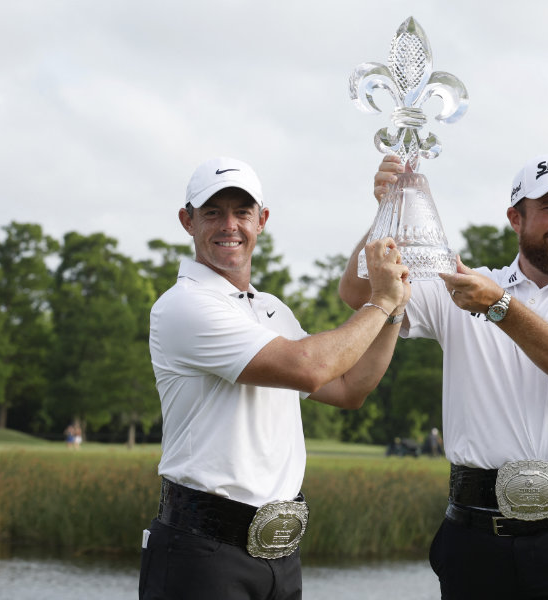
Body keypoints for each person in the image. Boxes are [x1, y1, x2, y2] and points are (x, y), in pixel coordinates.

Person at [339, 151, 548, 599]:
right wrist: (389, 207)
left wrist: (500, 308)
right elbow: (358, 292)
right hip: (476, 536)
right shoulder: (464, 287)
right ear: (515, 219)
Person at [138, 156, 411, 600]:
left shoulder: (271, 309)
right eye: (213, 212)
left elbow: (349, 387)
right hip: (202, 554)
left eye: (242, 212)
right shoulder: (183, 305)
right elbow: (310, 367)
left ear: (261, 220)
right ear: (187, 221)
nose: (230, 225)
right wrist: (379, 302)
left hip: (279, 556)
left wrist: (395, 310)